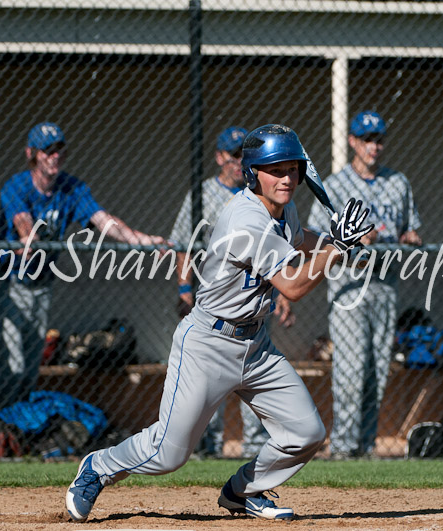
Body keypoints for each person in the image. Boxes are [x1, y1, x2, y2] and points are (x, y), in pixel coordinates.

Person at [65, 124, 373, 522]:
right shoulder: (244, 219)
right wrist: (338, 247)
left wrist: (337, 242)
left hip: (256, 346)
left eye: (291, 169)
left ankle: (246, 491)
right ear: (252, 173)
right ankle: (98, 467)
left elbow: (299, 238)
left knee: (306, 433)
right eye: (274, 170)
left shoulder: (284, 208)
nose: (286, 178)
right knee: (168, 453)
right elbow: (294, 287)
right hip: (208, 345)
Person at [0, 122, 167, 429]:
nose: (54, 157)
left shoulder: (71, 188)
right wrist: (31, 240)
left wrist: (142, 241)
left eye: (59, 150)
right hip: (9, 284)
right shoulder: (17, 185)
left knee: (28, 368)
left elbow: (103, 221)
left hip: (41, 285)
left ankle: (15, 430)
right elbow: (22, 221)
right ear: (32, 154)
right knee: (10, 365)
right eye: (47, 151)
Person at [306, 110, 422, 460]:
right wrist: (353, 239)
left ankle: (366, 446)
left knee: (377, 371)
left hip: (385, 284)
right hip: (349, 284)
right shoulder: (336, 185)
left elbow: (410, 227)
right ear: (352, 141)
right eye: (367, 139)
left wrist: (411, 236)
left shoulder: (397, 182)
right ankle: (343, 448)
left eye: (379, 139)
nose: (375, 146)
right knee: (352, 370)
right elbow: (314, 236)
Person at [169, 126, 278, 458]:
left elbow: (279, 250)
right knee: (208, 378)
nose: (239, 161)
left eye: (244, 155)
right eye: (233, 155)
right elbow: (184, 244)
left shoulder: (261, 195)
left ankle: (256, 448)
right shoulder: (202, 195)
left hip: (255, 298)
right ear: (219, 158)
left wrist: (284, 295)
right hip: (215, 301)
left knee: (254, 374)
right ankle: (208, 446)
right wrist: (184, 288)